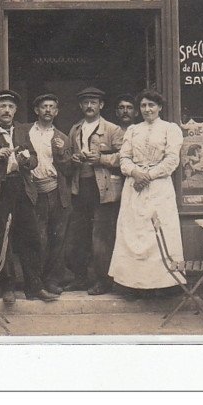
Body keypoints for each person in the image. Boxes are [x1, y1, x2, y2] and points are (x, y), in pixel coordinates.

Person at [0, 89, 60, 304]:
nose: (6, 110)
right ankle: (7, 288)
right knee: (1, 241)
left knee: (31, 239)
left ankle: (34, 287)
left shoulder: (22, 131)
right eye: (3, 106)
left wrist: (26, 160)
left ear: (15, 110)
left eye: (10, 107)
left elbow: (34, 159)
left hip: (22, 189)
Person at [109, 90, 184, 298]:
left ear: (160, 107)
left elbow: (171, 161)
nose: (147, 109)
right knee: (133, 233)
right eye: (143, 106)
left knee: (158, 233)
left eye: (151, 105)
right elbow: (124, 158)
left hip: (158, 186)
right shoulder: (132, 130)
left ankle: (162, 285)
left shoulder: (170, 129)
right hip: (135, 187)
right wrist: (135, 172)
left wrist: (148, 176)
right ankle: (133, 284)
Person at [64, 87, 125, 295]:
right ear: (81, 106)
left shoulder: (113, 130)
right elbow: (70, 154)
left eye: (94, 102)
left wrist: (101, 160)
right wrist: (73, 159)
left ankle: (104, 281)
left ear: (101, 105)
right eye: (86, 103)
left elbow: (124, 157)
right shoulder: (75, 129)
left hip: (104, 190)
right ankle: (80, 278)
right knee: (78, 236)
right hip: (80, 188)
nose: (89, 106)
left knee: (101, 238)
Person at [29, 93, 74, 294]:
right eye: (44, 106)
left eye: (52, 107)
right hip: (33, 192)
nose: (48, 110)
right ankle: (35, 281)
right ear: (36, 110)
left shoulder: (62, 138)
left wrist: (62, 152)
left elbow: (69, 170)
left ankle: (51, 280)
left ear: (56, 112)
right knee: (37, 238)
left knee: (57, 238)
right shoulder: (25, 133)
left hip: (56, 191)